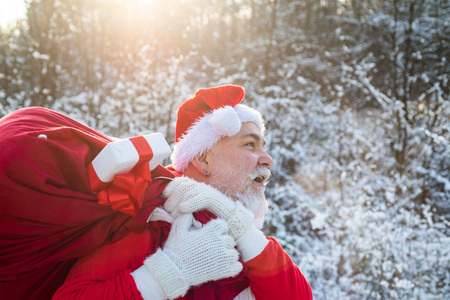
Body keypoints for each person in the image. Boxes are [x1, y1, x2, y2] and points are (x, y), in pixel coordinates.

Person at [52, 85, 313, 300]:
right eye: (250, 144)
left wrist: (244, 229)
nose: (267, 159)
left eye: (263, 146)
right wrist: (171, 269)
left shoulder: (239, 230)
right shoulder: (153, 216)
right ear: (203, 160)